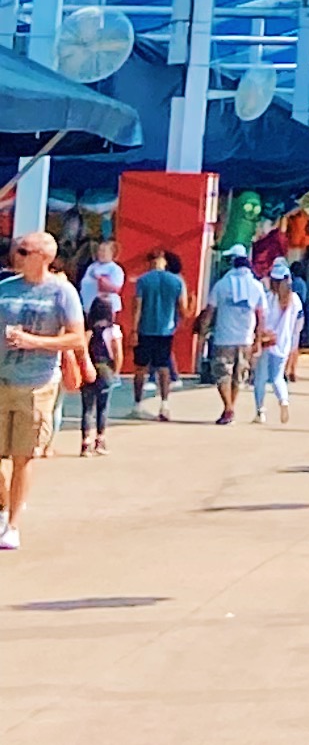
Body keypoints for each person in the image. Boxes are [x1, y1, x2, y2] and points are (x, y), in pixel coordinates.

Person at [0, 231, 83, 547]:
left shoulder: (61, 293)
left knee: (24, 455)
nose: (15, 256)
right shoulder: (5, 289)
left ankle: (13, 524)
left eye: (22, 251)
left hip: (35, 384)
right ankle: (2, 505)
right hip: (1, 380)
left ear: (43, 257)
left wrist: (36, 342)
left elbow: (76, 338)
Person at [203, 245, 261, 425]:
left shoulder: (221, 285)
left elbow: (210, 310)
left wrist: (203, 330)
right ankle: (230, 408)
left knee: (222, 375)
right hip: (245, 339)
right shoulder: (256, 286)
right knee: (239, 376)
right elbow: (262, 315)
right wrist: (258, 339)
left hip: (223, 338)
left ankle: (228, 408)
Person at [75, 256, 123, 452]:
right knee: (103, 407)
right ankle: (100, 440)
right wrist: (116, 371)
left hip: (89, 368)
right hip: (105, 368)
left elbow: (81, 349)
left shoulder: (88, 331)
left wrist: (81, 366)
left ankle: (85, 442)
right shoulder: (114, 330)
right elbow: (118, 354)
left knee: (87, 407)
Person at [131, 246, 184, 416]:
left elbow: (138, 306)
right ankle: (164, 404)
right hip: (166, 330)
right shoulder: (176, 281)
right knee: (163, 367)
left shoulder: (143, 281)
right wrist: (177, 322)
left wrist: (133, 329)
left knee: (140, 368)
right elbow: (182, 308)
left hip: (145, 329)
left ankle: (138, 405)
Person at [247, 263, 301, 426]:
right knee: (278, 377)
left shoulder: (268, 297)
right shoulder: (295, 300)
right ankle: (283, 401)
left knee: (260, 378)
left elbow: (262, 319)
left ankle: (260, 411)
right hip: (283, 342)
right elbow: (298, 324)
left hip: (266, 341)